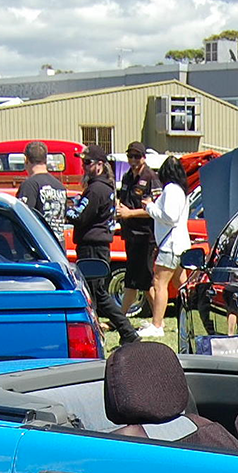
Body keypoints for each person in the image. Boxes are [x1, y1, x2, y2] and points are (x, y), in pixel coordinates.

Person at [73, 144, 138, 343]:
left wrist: (70, 208)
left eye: (87, 163)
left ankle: (127, 332)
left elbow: (78, 216)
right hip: (97, 246)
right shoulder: (104, 187)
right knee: (95, 293)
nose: (83, 167)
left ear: (99, 165)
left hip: (92, 247)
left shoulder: (96, 189)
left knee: (97, 295)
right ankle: (114, 333)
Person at [136, 155, 192, 340]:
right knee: (182, 285)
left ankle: (157, 324)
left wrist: (150, 207)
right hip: (181, 244)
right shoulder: (182, 191)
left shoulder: (170, 190)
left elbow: (169, 217)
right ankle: (188, 319)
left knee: (159, 284)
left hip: (170, 245)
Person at [115, 141, 157, 318]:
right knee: (139, 281)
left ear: (144, 158)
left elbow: (155, 210)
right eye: (130, 156)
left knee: (139, 280)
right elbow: (122, 200)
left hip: (145, 236)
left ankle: (122, 317)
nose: (133, 160)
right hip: (130, 234)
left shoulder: (151, 177)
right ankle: (155, 318)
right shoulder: (127, 177)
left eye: (136, 156)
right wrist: (118, 207)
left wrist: (129, 213)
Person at [15, 140, 67, 244]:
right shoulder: (60, 186)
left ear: (26, 160)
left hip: (39, 248)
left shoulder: (30, 185)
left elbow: (22, 217)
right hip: (58, 247)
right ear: (46, 159)